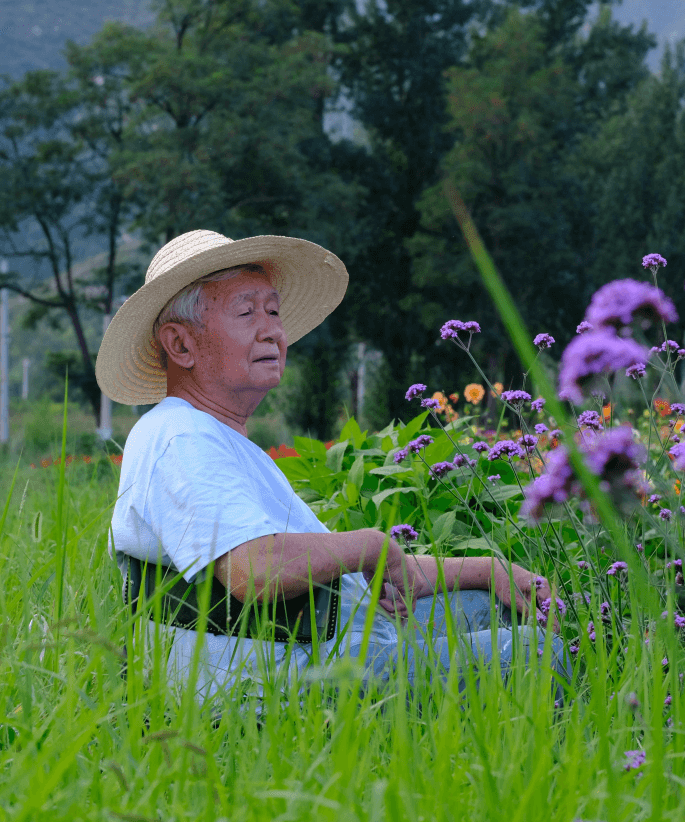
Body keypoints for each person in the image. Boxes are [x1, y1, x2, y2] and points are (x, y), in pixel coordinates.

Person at [96, 230, 566, 708]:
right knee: (538, 652)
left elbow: (363, 575)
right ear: (180, 345)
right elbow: (254, 572)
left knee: (496, 605)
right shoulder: (181, 438)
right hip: (275, 684)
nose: (272, 331)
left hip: (317, 646)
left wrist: (488, 569)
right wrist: (369, 544)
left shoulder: (213, 438)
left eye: (274, 312)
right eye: (245, 313)